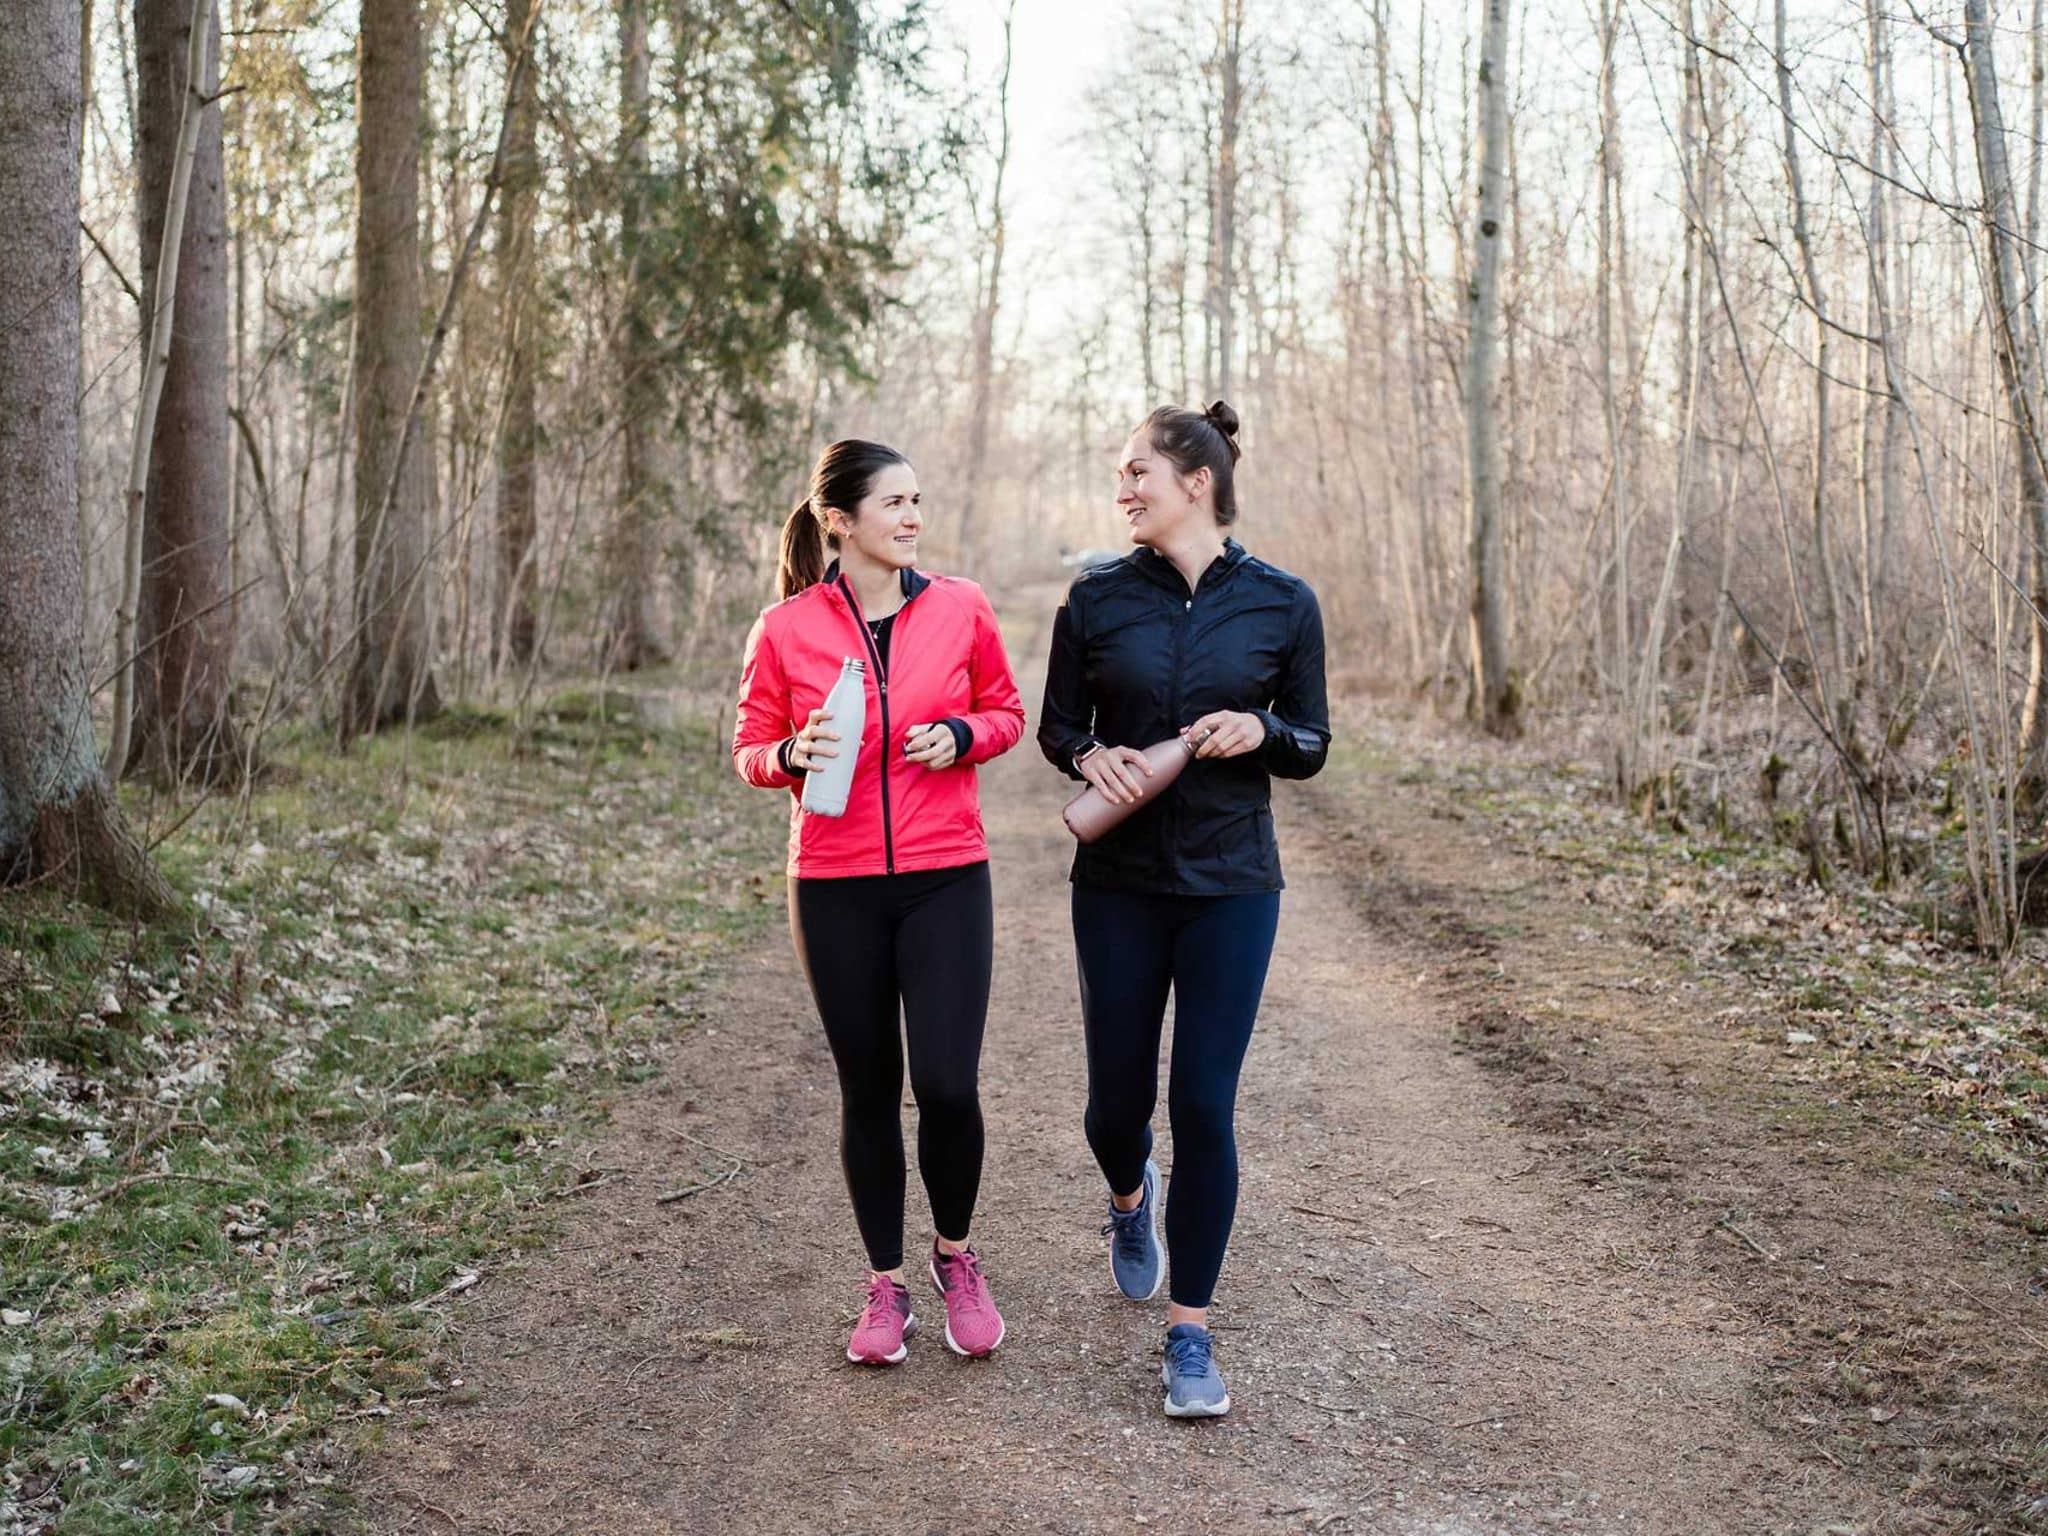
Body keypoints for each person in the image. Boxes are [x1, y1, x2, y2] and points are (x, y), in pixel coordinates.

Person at [1038, 400, 1330, 1418]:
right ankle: (1129, 1197)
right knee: (1112, 1110)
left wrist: (1259, 729)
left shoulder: (1281, 604)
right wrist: (1088, 754)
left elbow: (1311, 740)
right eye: (1119, 477)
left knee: (1203, 1103)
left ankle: (1190, 1335)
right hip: (1116, 886)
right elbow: (1057, 726)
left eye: (1135, 475)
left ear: (1194, 482)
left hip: (1231, 886)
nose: (1121, 491)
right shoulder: (1096, 597)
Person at [732, 439, 1025, 1365]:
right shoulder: (784, 629)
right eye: (893, 503)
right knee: (869, 1088)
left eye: (918, 500)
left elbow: (1009, 712)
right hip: (833, 885)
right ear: (840, 521)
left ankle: (956, 1257)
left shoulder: (963, 607)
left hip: (946, 876)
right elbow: (749, 747)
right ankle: (883, 1287)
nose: (912, 518)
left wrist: (961, 733)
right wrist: (788, 757)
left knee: (946, 1084)